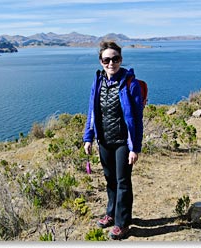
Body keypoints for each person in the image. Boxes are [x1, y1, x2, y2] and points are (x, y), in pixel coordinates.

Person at [83, 40, 144, 240]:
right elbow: (92, 111)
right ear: (101, 61)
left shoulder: (130, 83)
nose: (111, 63)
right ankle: (111, 213)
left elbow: (136, 118)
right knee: (110, 180)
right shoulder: (98, 81)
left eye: (115, 59)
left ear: (121, 59)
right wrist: (88, 137)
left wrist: (135, 147)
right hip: (104, 141)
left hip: (122, 143)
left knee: (123, 181)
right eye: (107, 59)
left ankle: (123, 222)